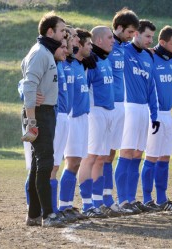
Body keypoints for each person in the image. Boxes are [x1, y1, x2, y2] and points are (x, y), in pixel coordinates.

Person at [21, 11, 67, 227]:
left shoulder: (46, 51)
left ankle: (34, 214)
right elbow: (29, 83)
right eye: (61, 31)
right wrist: (31, 120)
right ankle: (48, 215)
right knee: (45, 163)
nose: (64, 35)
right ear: (50, 31)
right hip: (39, 114)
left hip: (45, 112)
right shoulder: (40, 52)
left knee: (38, 165)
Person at [141, 25, 172, 211]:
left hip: (168, 114)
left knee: (165, 157)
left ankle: (162, 198)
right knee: (151, 157)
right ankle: (147, 199)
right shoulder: (150, 56)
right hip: (153, 112)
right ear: (162, 42)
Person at [114, 20, 159, 213]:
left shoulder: (149, 57)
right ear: (135, 34)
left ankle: (131, 198)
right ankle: (122, 200)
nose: (151, 41)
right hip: (129, 107)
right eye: (147, 36)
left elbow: (151, 89)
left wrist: (154, 114)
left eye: (152, 37)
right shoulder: (124, 50)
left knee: (138, 155)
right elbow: (113, 41)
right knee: (126, 153)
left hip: (144, 111)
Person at [101, 7, 139, 216]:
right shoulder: (105, 45)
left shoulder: (124, 47)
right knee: (100, 155)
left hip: (120, 105)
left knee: (111, 153)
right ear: (118, 28)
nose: (133, 37)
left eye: (135, 33)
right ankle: (99, 199)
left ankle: (109, 198)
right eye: (130, 32)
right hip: (105, 106)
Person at [78, 26, 115, 217]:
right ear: (98, 40)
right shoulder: (91, 62)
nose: (113, 40)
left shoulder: (105, 59)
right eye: (109, 37)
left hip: (108, 112)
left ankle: (97, 201)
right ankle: (86, 204)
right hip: (95, 113)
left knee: (102, 158)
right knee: (90, 157)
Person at [58, 28, 92, 219]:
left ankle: (68, 205)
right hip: (70, 118)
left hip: (82, 119)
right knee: (70, 162)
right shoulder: (64, 64)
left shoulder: (79, 64)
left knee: (77, 163)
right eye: (73, 39)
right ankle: (63, 206)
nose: (76, 42)